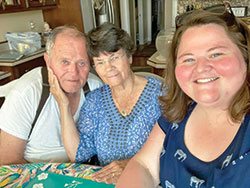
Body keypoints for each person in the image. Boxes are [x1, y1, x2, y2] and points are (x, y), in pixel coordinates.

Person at [116, 3, 250, 188]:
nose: (201, 67)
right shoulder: (177, 115)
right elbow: (144, 166)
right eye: (188, 59)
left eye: (216, 54)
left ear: (245, 57)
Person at [49, 22, 162, 184]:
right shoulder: (95, 101)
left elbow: (175, 150)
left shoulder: (161, 95)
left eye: (114, 57)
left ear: (129, 57)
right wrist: (63, 105)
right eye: (100, 62)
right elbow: (78, 154)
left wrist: (133, 165)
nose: (108, 68)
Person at [0, 26, 103, 165]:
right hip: (33, 174)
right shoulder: (27, 93)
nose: (73, 72)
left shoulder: (95, 88)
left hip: (83, 169)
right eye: (65, 62)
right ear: (48, 61)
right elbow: (8, 160)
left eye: (81, 63)